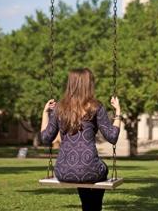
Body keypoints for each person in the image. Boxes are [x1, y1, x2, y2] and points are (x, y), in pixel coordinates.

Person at [40, 68, 122, 211]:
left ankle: (88, 208)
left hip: (63, 171)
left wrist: (45, 113)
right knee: (98, 168)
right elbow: (112, 137)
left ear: (70, 84)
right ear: (89, 84)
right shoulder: (96, 107)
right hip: (90, 169)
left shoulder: (59, 108)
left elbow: (46, 138)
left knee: (81, 171)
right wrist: (118, 113)